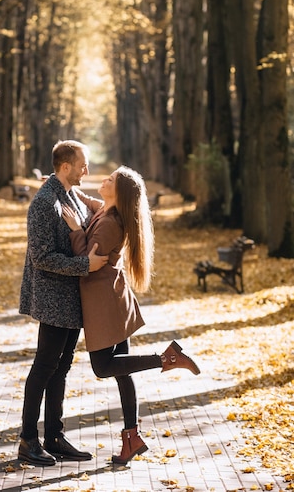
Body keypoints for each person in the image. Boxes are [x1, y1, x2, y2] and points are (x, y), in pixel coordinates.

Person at [62, 165, 200, 465]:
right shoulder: (107, 211)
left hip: (104, 303)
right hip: (113, 298)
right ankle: (132, 439)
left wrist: (75, 230)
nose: (104, 179)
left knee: (102, 367)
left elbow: (87, 259)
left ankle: (167, 359)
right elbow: (95, 204)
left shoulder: (111, 223)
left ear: (119, 192)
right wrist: (71, 191)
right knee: (122, 373)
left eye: (110, 179)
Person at [18, 140, 109, 467]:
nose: (87, 170)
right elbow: (41, 258)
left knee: (63, 366)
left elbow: (97, 215)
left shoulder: (69, 193)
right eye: (83, 164)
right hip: (53, 297)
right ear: (66, 166)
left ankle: (54, 436)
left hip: (72, 298)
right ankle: (28, 440)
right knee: (45, 366)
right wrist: (86, 266)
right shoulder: (44, 203)